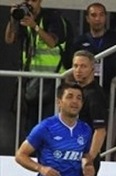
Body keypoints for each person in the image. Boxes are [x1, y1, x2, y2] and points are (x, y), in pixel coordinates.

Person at [5, 0, 69, 133]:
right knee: (30, 127)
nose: (30, 4)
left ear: (40, 1)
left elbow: (52, 42)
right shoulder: (23, 18)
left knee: (48, 125)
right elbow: (9, 39)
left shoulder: (52, 18)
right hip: (30, 81)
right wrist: (13, 18)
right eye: (27, 1)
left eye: (33, 1)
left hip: (52, 80)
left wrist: (35, 26)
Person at [69, 2, 116, 95]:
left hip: (110, 88)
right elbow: (70, 67)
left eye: (101, 15)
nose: (97, 19)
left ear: (105, 17)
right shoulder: (79, 41)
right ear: (87, 18)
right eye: (93, 15)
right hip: (84, 89)